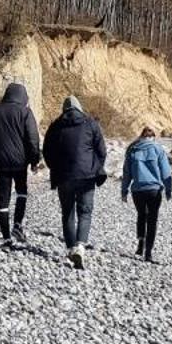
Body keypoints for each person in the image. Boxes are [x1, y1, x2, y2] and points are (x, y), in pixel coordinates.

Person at [41, 94, 108, 270]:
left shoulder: (55, 126)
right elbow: (101, 150)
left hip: (63, 176)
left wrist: (54, 168)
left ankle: (71, 248)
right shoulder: (91, 123)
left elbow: (47, 151)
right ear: (79, 108)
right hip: (87, 176)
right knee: (85, 212)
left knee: (67, 212)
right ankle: (80, 245)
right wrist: (95, 167)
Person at [0, 81, 42, 247]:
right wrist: (35, 160)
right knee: (21, 192)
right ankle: (17, 225)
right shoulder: (25, 113)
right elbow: (32, 139)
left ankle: (6, 237)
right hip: (20, 162)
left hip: (0, 162)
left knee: (2, 198)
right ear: (23, 97)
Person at [120, 126, 172, 261]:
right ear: (153, 137)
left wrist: (124, 190)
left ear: (141, 136)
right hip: (154, 190)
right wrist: (168, 190)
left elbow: (127, 173)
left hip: (137, 190)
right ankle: (148, 252)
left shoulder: (132, 149)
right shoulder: (158, 149)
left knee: (141, 215)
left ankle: (140, 243)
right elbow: (166, 172)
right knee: (152, 220)